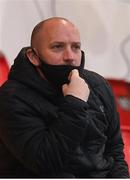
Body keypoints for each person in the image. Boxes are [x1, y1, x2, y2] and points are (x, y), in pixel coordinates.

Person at [0, 17, 129, 178]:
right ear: (33, 56)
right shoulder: (12, 98)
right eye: (57, 47)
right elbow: (45, 162)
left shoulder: (99, 85)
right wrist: (75, 102)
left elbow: (115, 150)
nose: (70, 56)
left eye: (76, 47)